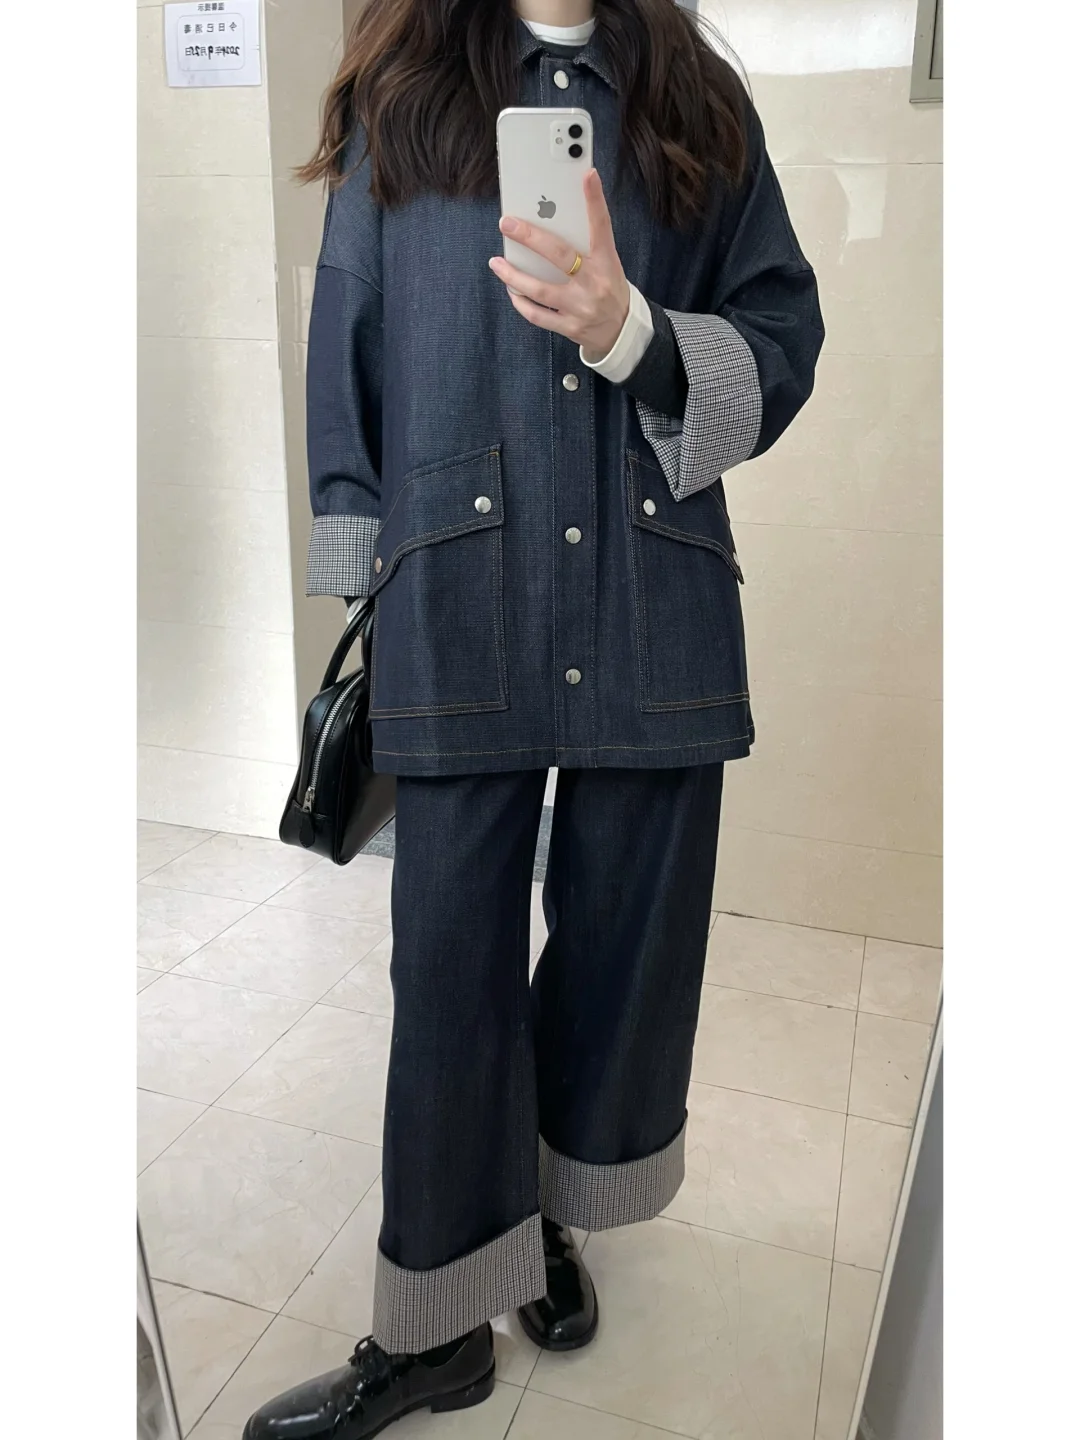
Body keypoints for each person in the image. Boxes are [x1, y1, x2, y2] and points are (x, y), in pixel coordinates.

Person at [244, 0, 823, 1433]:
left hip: (650, 586)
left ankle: (541, 1215)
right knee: (449, 966)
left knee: (625, 945)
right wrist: (356, 576)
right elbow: (347, 330)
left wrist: (637, 332)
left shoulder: (697, 100)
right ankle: (435, 1330)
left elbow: (784, 334)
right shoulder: (401, 89)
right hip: (459, 587)